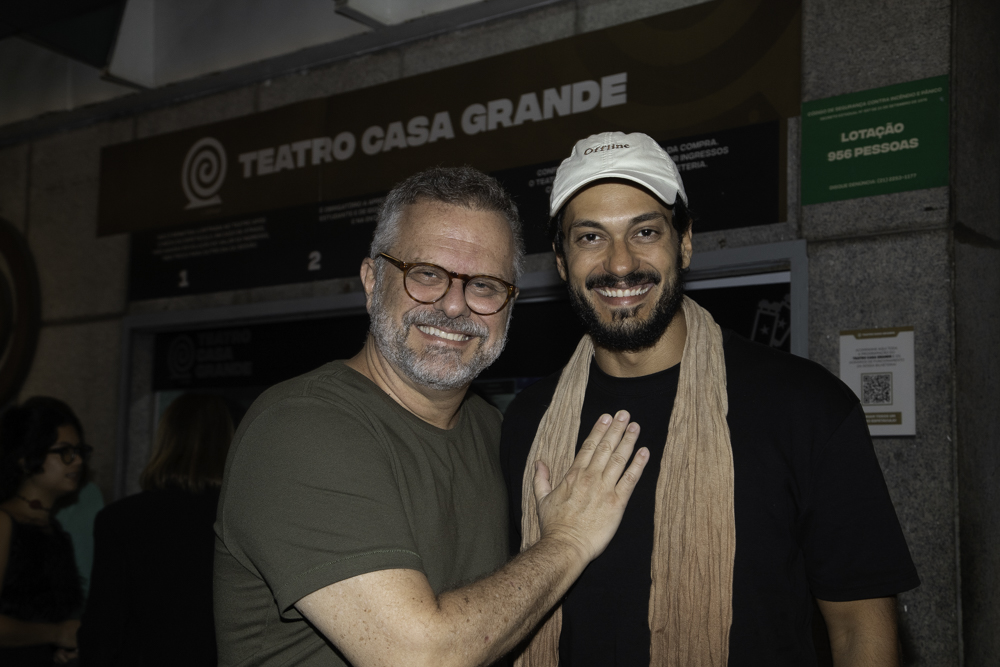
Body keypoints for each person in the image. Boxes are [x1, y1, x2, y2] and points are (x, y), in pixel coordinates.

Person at [499, 132, 920, 667]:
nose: (620, 263)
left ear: (685, 242)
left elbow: (861, 628)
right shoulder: (527, 421)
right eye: (590, 237)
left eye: (645, 231)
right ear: (561, 261)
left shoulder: (806, 406)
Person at [214, 166, 650, 667]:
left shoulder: (496, 430)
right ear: (372, 281)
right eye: (426, 274)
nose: (454, 305)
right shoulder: (299, 428)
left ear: (510, 305)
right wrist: (568, 541)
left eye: (484, 285)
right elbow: (418, 656)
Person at [78, 393, 234, 666]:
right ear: (229, 442)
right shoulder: (243, 520)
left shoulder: (121, 519)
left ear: (164, 441)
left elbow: (102, 631)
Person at [0, 397, 88, 666]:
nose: (78, 461)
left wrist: (58, 648)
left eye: (79, 451)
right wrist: (57, 633)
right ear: (26, 459)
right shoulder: (4, 522)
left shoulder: (52, 529)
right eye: (64, 452)